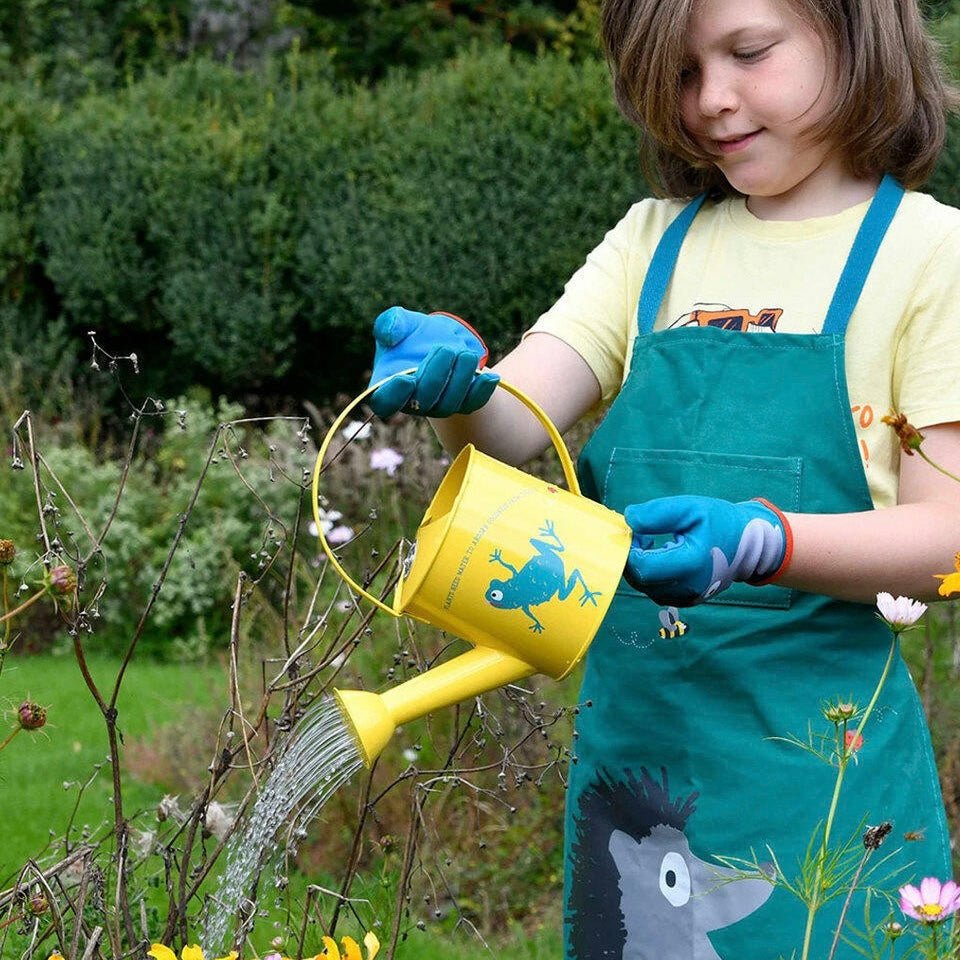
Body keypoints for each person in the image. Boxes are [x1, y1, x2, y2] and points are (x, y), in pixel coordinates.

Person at [364, 0, 960, 956]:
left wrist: (767, 541)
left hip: (823, 786)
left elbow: (948, 543)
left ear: (857, 32)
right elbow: (514, 424)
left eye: (749, 53)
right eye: (681, 72)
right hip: (638, 779)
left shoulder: (929, 257)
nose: (712, 101)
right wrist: (451, 386)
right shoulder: (655, 242)